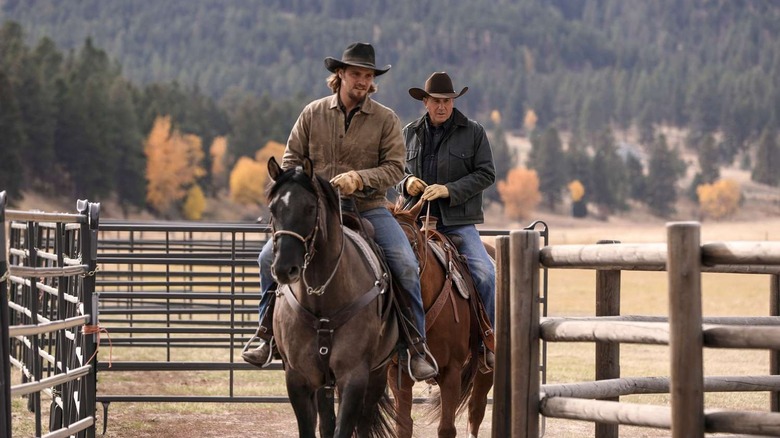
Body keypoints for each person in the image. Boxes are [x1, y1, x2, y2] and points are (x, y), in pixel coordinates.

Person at [242, 42, 438, 381]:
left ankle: (415, 345)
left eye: (368, 76)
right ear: (340, 75)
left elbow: (395, 168)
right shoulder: (312, 113)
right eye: (356, 74)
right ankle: (265, 333)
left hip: (369, 207)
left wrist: (359, 179)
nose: (362, 81)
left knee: (405, 263)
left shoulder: (385, 119)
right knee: (265, 258)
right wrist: (309, 186)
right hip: (316, 211)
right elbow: (290, 161)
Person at [399, 71, 497, 368]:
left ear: (453, 102)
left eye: (447, 101)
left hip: (457, 221)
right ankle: (386, 343)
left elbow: (486, 174)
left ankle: (488, 341)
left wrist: (449, 190)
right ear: (425, 102)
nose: (442, 106)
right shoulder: (409, 132)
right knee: (381, 269)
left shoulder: (474, 131)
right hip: (413, 220)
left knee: (485, 274)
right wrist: (407, 183)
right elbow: (395, 171)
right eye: (436, 101)